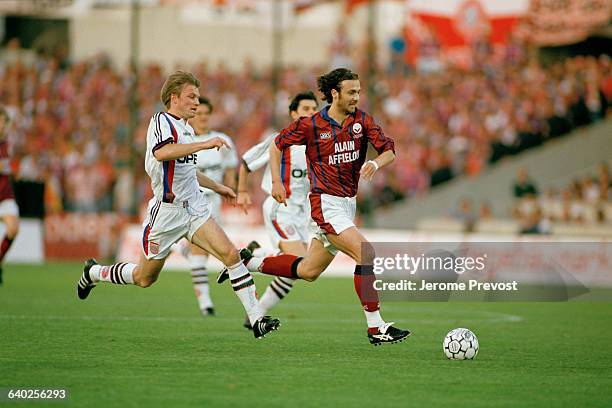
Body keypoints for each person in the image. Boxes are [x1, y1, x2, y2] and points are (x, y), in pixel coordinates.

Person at [76, 71, 280, 338]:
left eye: (197, 97)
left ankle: (256, 320)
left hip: (194, 208)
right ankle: (94, 272)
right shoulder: (162, 121)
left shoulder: (186, 129)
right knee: (144, 278)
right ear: (174, 97)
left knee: (231, 255)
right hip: (167, 213)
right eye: (191, 97)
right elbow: (162, 152)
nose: (196, 102)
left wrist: (218, 187)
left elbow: (187, 171)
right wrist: (204, 144)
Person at [219, 68, 411, 345]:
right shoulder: (311, 124)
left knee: (309, 271)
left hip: (347, 206)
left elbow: (389, 150)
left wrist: (374, 163)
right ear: (335, 94)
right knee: (365, 253)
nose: (357, 97)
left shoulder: (362, 121)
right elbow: (276, 145)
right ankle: (376, 327)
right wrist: (275, 181)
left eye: (358, 91)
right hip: (325, 205)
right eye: (351, 92)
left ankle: (247, 261)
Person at [235, 91, 318, 327]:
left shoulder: (319, 143)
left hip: (301, 214)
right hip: (281, 209)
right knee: (299, 261)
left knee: (295, 271)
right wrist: (242, 192)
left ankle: (256, 313)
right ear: (293, 114)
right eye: (305, 109)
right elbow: (247, 162)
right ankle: (254, 258)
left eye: (314, 109)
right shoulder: (281, 139)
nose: (311, 113)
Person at [183, 96, 238, 316]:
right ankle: (205, 303)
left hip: (214, 200)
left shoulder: (221, 139)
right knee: (204, 249)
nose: (203, 118)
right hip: (193, 200)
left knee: (206, 249)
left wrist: (231, 186)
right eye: (199, 114)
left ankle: (183, 248)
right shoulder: (185, 141)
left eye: (207, 114)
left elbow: (231, 166)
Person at [0, 107, 19, 285]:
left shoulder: (6, 142)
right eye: (2, 121)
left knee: (13, 228)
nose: (4, 126)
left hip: (5, 195)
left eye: (6, 123)